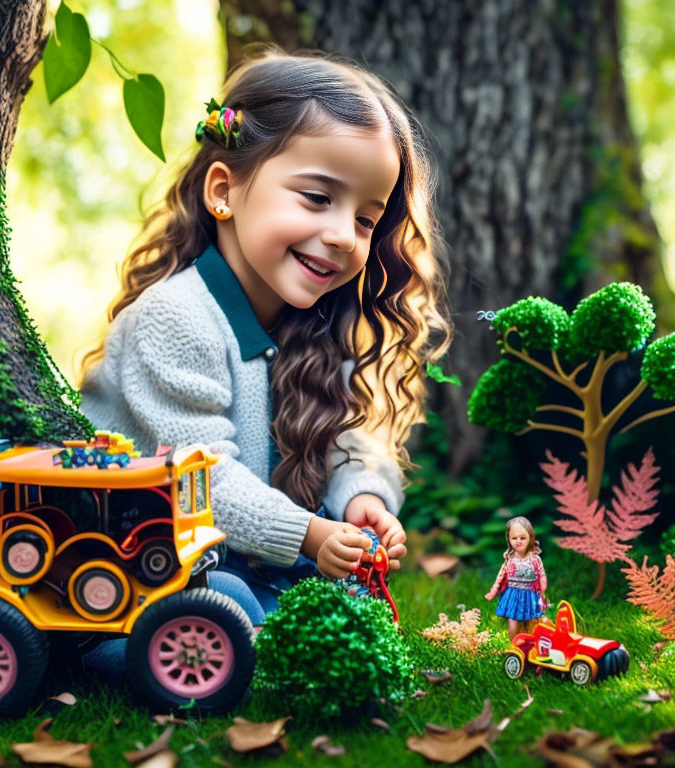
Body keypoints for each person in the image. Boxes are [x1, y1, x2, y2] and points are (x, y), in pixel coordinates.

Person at [79, 47, 451, 631]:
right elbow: (200, 477)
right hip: (146, 557)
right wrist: (309, 533)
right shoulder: (174, 319)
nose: (343, 236)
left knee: (345, 605)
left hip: (254, 556)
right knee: (226, 597)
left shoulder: (322, 320)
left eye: (365, 218)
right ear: (224, 190)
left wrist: (363, 501)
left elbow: (354, 438)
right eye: (318, 197)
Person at [485, 516, 548, 638]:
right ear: (509, 539)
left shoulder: (535, 559)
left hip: (530, 593)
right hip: (513, 592)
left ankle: (531, 639)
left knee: (532, 617)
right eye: (514, 538)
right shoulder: (510, 558)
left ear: (530, 538)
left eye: (523, 538)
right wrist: (493, 591)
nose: (518, 541)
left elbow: (541, 574)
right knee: (513, 617)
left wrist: (542, 587)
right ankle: (514, 641)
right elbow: (501, 576)